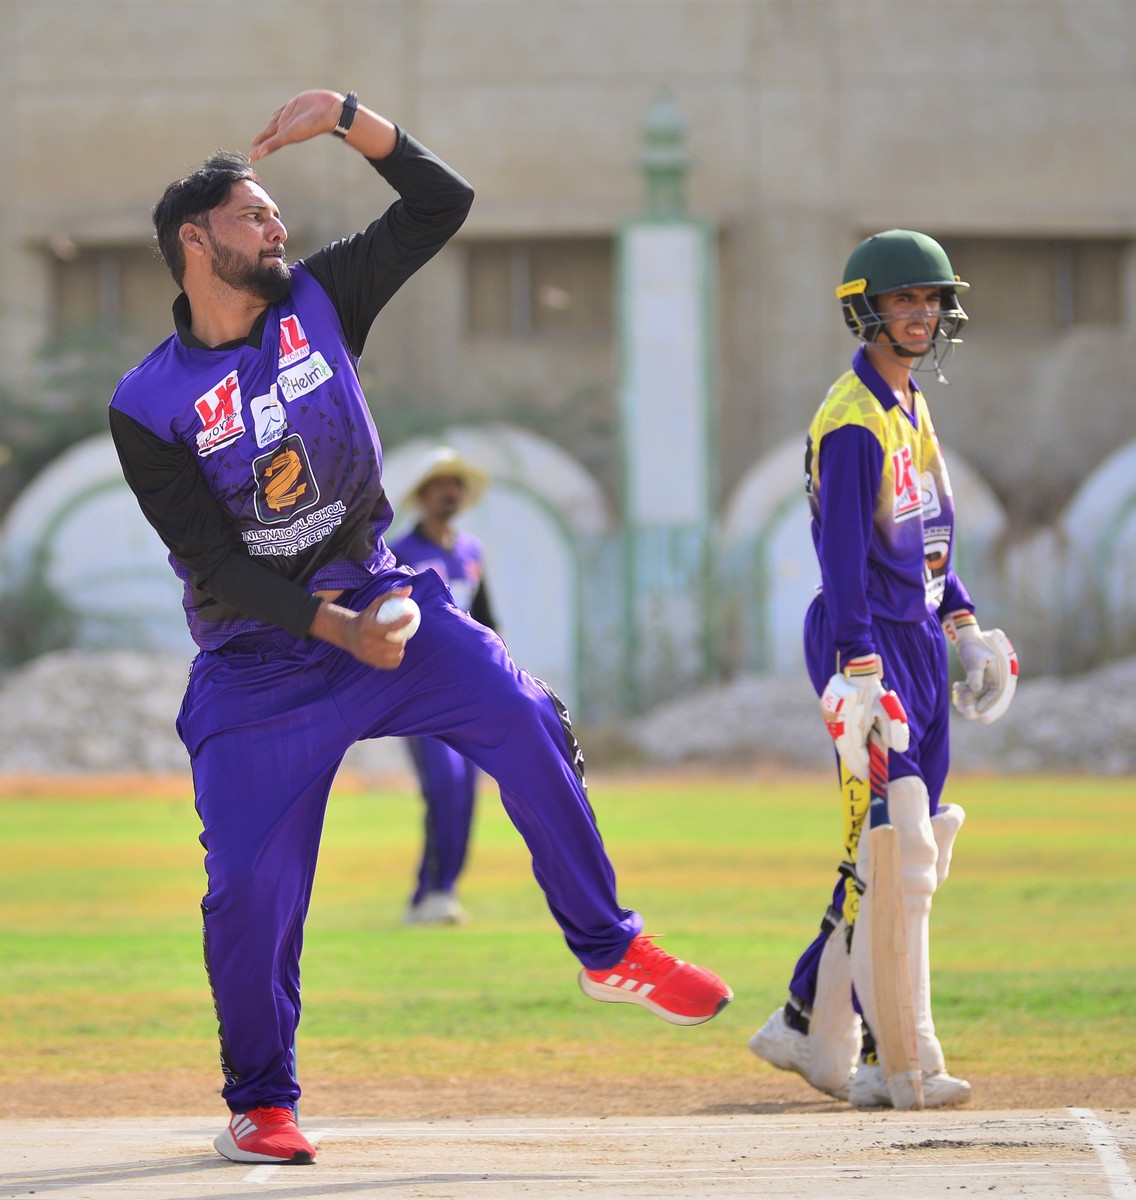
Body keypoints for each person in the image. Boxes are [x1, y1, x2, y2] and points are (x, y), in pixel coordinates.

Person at [107, 89, 732, 1167]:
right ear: (194, 242)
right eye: (253, 215)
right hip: (258, 662)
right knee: (249, 890)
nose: (277, 225)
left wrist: (350, 118)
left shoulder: (318, 300)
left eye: (274, 212)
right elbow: (212, 564)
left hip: (384, 599)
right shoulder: (146, 402)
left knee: (521, 711)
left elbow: (442, 203)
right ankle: (261, 1104)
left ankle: (606, 948)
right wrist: (329, 630)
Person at [746, 230, 1019, 1110]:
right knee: (890, 849)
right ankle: (892, 1055)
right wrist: (859, 663)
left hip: (915, 638)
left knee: (909, 846)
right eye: (903, 300)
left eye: (931, 300)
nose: (920, 315)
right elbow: (840, 555)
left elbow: (929, 533)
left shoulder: (909, 404)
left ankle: (805, 1020)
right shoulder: (853, 420)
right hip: (862, 640)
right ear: (865, 311)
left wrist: (964, 625)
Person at [388, 446, 498, 925]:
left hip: (469, 693)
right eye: (438, 485)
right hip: (420, 693)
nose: (448, 493)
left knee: (467, 790)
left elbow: (487, 620)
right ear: (422, 496)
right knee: (444, 785)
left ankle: (441, 892)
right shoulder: (400, 553)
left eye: (455, 484)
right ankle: (427, 893)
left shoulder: (472, 552)